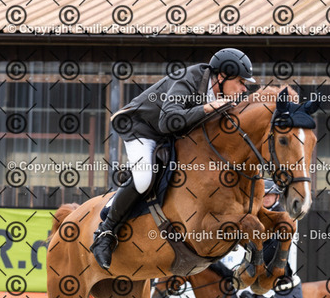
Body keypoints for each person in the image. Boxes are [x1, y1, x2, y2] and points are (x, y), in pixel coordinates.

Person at [91, 48, 255, 269]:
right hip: (142, 128)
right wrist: (207, 108)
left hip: (171, 135)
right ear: (222, 76)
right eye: (241, 81)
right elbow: (168, 120)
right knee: (144, 178)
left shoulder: (222, 97)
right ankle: (106, 231)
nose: (244, 88)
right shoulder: (189, 79)